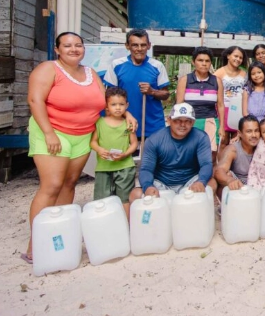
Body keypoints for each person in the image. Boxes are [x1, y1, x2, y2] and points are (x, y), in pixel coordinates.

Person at [23, 32, 129, 264]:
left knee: (69, 183)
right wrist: (49, 133)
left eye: (78, 45)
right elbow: (35, 100)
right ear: (57, 49)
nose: (74, 49)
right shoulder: (48, 69)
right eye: (68, 45)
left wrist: (127, 113)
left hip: (82, 136)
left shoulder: (90, 73)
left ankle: (58, 231)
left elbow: (107, 99)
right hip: (52, 133)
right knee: (51, 186)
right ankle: (36, 243)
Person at [129, 103, 216, 202]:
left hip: (190, 181)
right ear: (169, 120)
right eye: (177, 121)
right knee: (136, 194)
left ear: (193, 122)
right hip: (162, 183)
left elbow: (206, 164)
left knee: (211, 183)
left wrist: (201, 181)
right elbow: (146, 169)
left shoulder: (201, 137)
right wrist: (148, 186)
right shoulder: (154, 139)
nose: (182, 125)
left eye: (187, 121)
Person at [104, 28, 170, 140]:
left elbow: (166, 94)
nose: (139, 49)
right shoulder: (116, 65)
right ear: (127, 46)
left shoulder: (157, 66)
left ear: (149, 46)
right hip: (124, 123)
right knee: (126, 156)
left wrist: (152, 91)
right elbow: (109, 96)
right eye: (135, 45)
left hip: (152, 125)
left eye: (143, 45)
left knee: (151, 157)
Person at [90, 87, 139, 216]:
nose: (118, 108)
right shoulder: (99, 123)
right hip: (103, 167)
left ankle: (127, 226)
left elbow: (134, 143)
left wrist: (126, 154)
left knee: (125, 198)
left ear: (127, 105)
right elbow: (93, 142)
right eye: (113, 104)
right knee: (102, 201)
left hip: (125, 167)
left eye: (121, 104)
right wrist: (99, 149)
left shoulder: (128, 123)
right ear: (106, 106)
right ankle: (106, 226)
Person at [176, 46, 223, 163]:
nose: (204, 64)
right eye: (200, 60)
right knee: (189, 152)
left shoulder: (216, 81)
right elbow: (179, 105)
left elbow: (221, 105)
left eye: (207, 61)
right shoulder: (184, 80)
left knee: (211, 153)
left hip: (210, 121)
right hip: (189, 122)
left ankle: (207, 178)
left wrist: (221, 126)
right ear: (193, 62)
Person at [214, 115, 261, 194]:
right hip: (238, 189)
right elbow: (219, 171)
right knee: (227, 174)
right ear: (240, 133)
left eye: (256, 131)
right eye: (249, 131)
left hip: (259, 186)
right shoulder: (233, 149)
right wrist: (230, 180)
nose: (254, 135)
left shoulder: (264, 147)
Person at [214, 46, 247, 146]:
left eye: (240, 58)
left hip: (238, 110)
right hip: (222, 109)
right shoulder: (219, 73)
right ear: (228, 56)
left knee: (236, 141)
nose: (238, 59)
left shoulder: (244, 74)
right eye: (235, 56)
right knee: (223, 140)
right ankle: (222, 162)